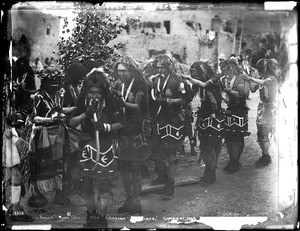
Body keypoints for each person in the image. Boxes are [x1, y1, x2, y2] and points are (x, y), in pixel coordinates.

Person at [69, 70, 122, 227]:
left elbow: (120, 124)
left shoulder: (110, 102)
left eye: (98, 93)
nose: (94, 96)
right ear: (86, 91)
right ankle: (91, 216)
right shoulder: (81, 101)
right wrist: (85, 114)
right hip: (86, 148)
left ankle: (102, 217)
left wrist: (105, 126)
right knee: (87, 187)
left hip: (105, 148)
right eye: (91, 92)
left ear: (103, 92)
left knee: (104, 187)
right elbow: (71, 122)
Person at [112, 56, 151, 215]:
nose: (120, 74)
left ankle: (136, 202)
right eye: (118, 71)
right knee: (124, 168)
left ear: (131, 70)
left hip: (137, 129)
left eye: (124, 71)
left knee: (135, 168)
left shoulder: (140, 84)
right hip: (123, 129)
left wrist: (121, 102)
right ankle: (128, 199)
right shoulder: (121, 84)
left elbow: (136, 106)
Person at [27, 67, 70, 208]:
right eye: (51, 80)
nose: (55, 83)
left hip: (57, 133)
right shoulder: (39, 96)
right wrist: (51, 120)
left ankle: (59, 192)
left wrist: (69, 112)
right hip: (42, 134)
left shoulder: (58, 95)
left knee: (58, 162)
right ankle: (36, 194)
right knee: (39, 165)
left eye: (58, 80)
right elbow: (35, 118)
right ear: (44, 81)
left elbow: (59, 110)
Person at [149, 54, 186, 199]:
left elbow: (184, 99)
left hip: (173, 120)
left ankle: (170, 184)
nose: (159, 70)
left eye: (162, 67)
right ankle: (162, 175)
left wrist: (170, 100)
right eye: (157, 67)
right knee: (154, 149)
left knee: (171, 153)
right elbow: (152, 98)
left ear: (168, 66)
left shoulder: (178, 79)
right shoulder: (155, 80)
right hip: (159, 119)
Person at [182, 61, 224, 184]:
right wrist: (183, 85)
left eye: (195, 73)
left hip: (215, 117)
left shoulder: (214, 78)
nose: (193, 75)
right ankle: (209, 171)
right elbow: (188, 97)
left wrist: (189, 79)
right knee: (204, 146)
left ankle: (211, 174)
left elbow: (204, 85)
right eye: (192, 73)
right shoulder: (197, 84)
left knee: (211, 146)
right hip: (204, 118)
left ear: (202, 72)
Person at [244, 58, 279, 167]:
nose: (260, 70)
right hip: (263, 108)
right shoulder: (262, 78)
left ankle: (270, 155)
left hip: (270, 108)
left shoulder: (272, 78)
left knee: (269, 131)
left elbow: (264, 82)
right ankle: (265, 155)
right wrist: (248, 79)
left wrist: (250, 78)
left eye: (261, 68)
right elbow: (253, 89)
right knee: (261, 132)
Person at [220, 58, 251, 173]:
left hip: (239, 110)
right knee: (228, 136)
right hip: (231, 110)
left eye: (225, 70)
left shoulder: (240, 78)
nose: (223, 72)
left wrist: (226, 90)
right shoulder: (229, 79)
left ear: (231, 69)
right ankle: (232, 160)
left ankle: (235, 161)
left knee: (237, 136)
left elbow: (240, 94)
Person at [3, 112, 34, 222]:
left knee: (16, 184)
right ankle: (16, 210)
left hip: (12, 160)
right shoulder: (11, 132)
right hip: (13, 160)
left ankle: (15, 208)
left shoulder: (10, 131)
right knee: (16, 183)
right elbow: (20, 144)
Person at [172, 53, 197, 156]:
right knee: (182, 128)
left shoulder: (182, 82)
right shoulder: (179, 80)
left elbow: (185, 96)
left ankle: (191, 148)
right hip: (181, 108)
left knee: (186, 128)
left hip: (183, 108)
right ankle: (183, 148)